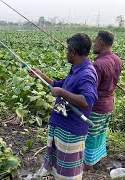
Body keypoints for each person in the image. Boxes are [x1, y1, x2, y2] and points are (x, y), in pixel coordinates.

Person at [29, 33, 98, 179]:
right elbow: (57, 85)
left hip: (71, 130)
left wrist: (61, 92)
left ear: (73, 52)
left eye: (67, 50)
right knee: (59, 166)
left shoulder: (87, 74)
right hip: (61, 125)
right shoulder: (77, 68)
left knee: (69, 172)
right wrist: (40, 75)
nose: (66, 53)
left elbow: (87, 101)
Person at [84, 30, 123, 170]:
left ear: (100, 43)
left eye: (95, 41)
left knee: (90, 136)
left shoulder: (98, 64)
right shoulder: (118, 60)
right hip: (108, 105)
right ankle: (97, 158)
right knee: (100, 133)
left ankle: (87, 164)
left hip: (97, 107)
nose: (94, 44)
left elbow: (91, 91)